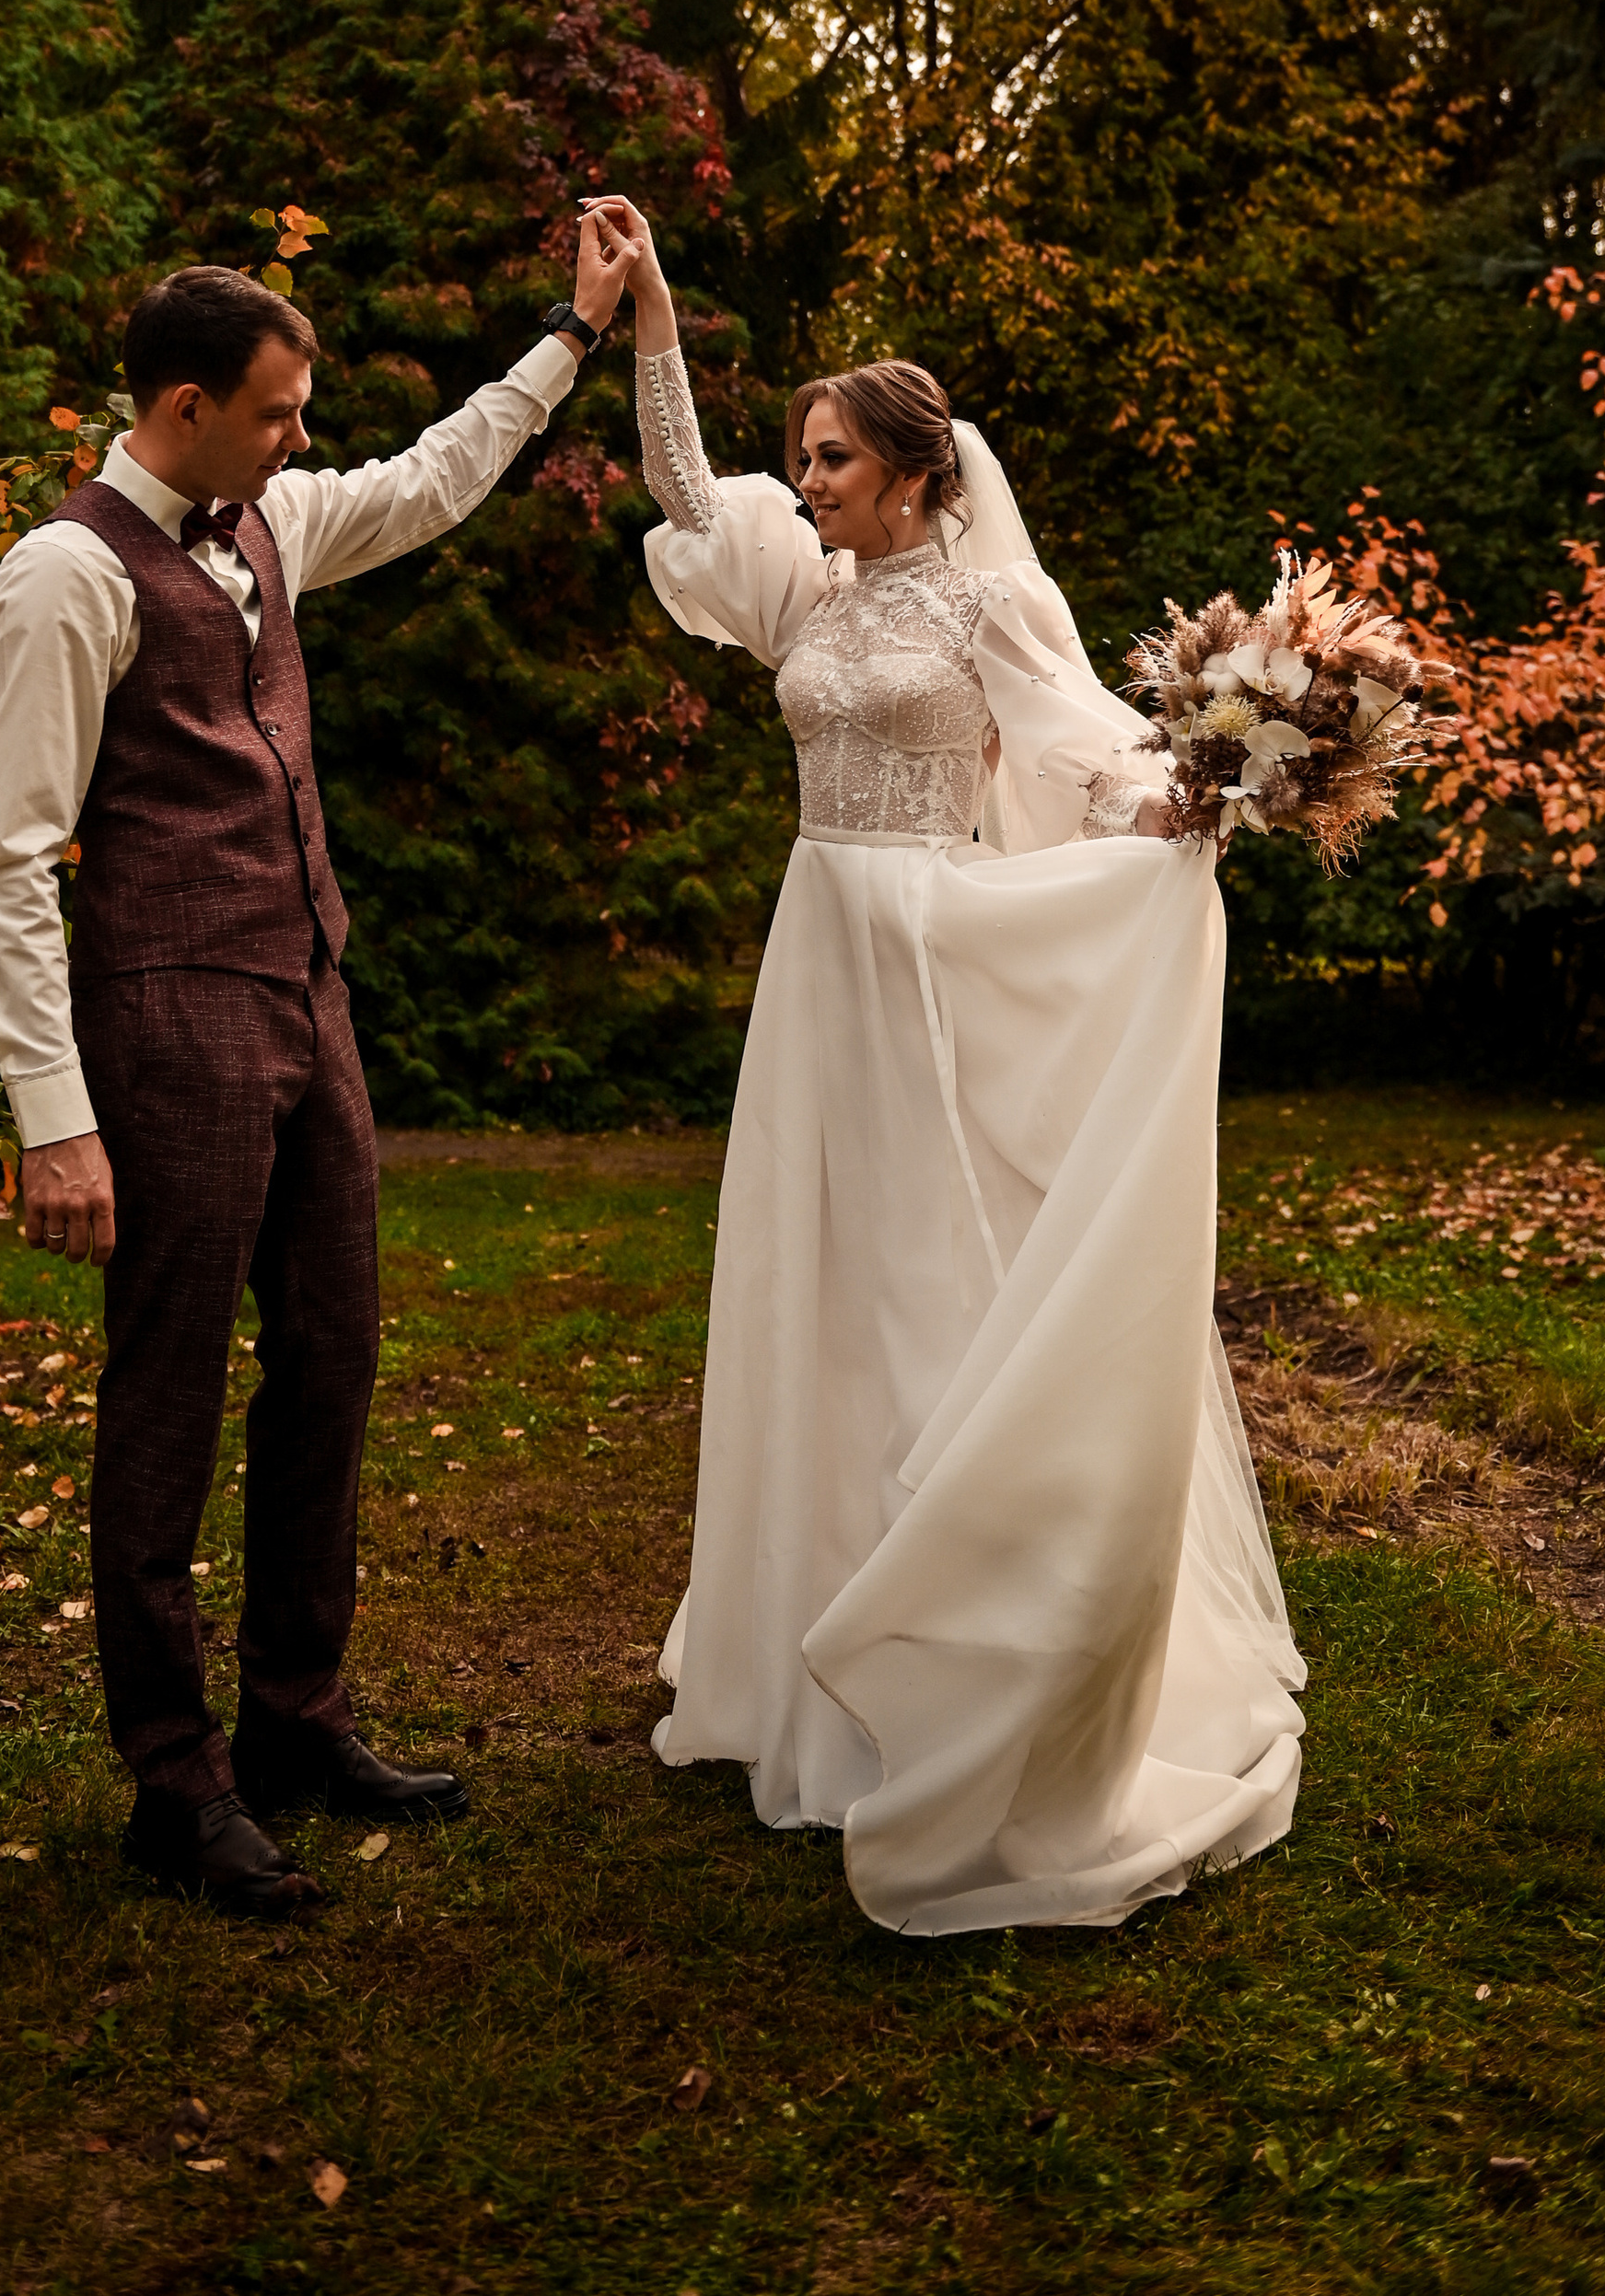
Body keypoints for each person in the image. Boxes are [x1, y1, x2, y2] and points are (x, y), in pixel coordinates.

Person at [587, 197, 1305, 1936]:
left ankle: (959, 1623)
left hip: (927, 953)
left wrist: (1197, 795)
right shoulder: (800, 585)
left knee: (927, 1282)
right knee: (813, 1282)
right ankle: (796, 1643)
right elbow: (688, 490)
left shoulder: (989, 602)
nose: (808, 480)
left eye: (833, 459)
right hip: (814, 960)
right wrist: (653, 317)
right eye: (807, 457)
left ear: (915, 472)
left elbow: (1084, 758)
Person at [0, 217, 640, 1919]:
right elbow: (9, 865)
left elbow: (426, 481)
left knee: (331, 1356)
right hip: (168, 1021)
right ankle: (171, 1782)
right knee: (170, 1394)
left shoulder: (268, 520)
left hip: (306, 997)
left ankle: (295, 1723)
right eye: (276, 413)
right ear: (182, 403)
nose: (301, 439)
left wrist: (571, 333)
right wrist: (58, 1121)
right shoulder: (66, 575)